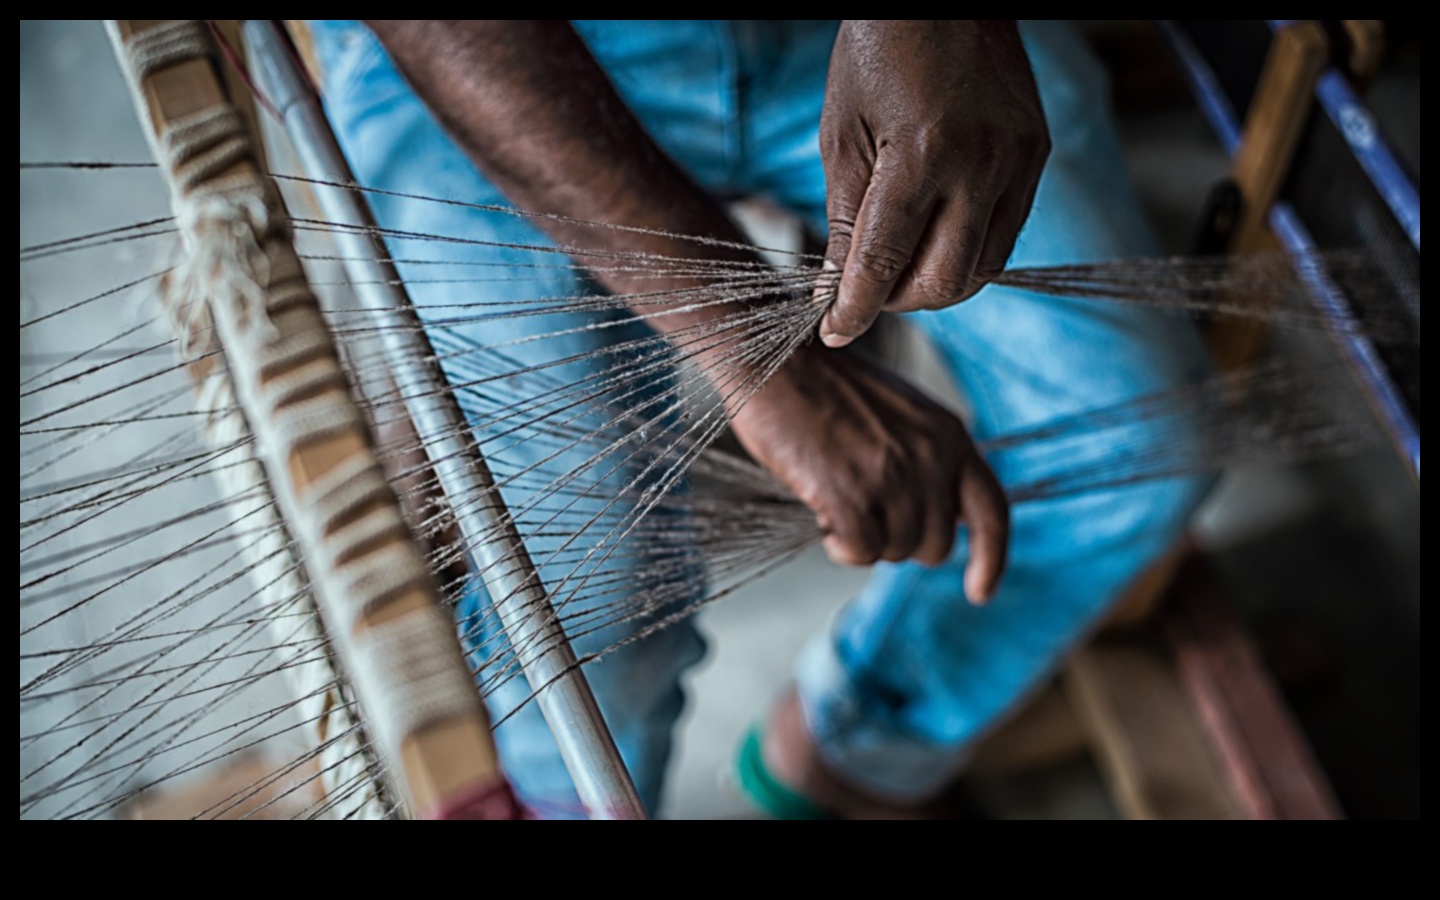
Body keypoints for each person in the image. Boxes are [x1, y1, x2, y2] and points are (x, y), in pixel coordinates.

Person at [307, 20, 1211, 818]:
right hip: (479, 72)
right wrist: (767, 369)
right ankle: (566, 801)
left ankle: (851, 754)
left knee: (1140, 446)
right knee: (593, 598)